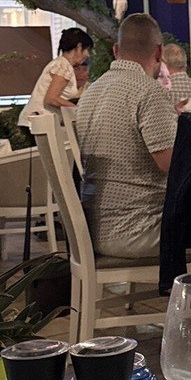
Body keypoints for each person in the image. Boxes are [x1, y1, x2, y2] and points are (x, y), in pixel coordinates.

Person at [74, 13, 175, 259]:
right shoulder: (148, 91)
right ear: (159, 53)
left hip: (94, 230)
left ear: (116, 50)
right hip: (136, 230)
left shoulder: (91, 93)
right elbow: (172, 165)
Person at [18, 27, 93, 127]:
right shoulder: (64, 66)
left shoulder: (60, 64)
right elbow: (51, 98)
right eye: (86, 50)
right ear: (79, 47)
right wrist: (79, 109)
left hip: (37, 122)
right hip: (37, 123)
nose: (87, 55)